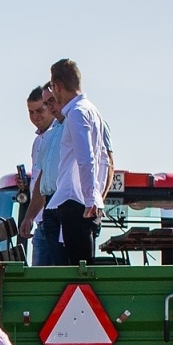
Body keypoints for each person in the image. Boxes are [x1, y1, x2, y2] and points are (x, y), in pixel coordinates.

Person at [47, 59, 110, 265]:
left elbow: (86, 157)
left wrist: (91, 197)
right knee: (83, 267)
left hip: (76, 200)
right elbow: (102, 159)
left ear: (57, 86)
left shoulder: (76, 113)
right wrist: (95, 195)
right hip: (84, 200)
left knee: (77, 271)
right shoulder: (92, 111)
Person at [19, 85, 62, 266]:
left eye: (40, 110)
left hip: (55, 221)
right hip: (41, 221)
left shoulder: (59, 134)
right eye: (31, 112)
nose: (35, 117)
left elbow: (47, 181)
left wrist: (28, 217)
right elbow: (40, 179)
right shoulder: (38, 141)